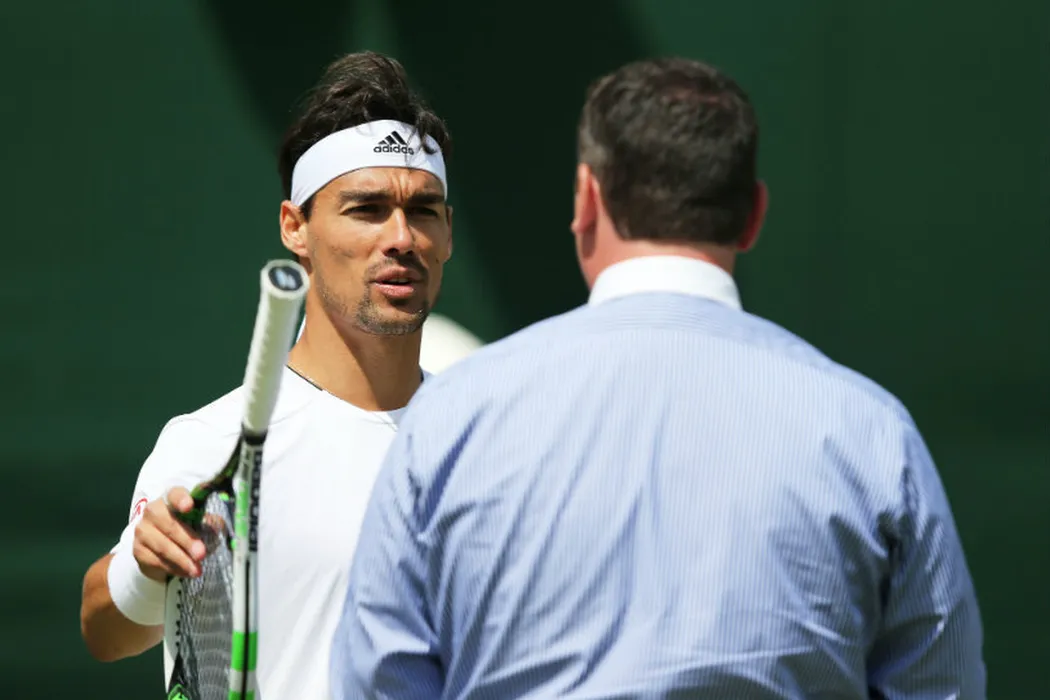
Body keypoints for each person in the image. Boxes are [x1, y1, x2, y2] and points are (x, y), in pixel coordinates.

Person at [330, 57, 987, 699]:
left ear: (587, 198)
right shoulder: (870, 432)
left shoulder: (452, 417)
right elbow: (942, 683)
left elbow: (378, 681)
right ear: (753, 214)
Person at [79, 50, 456, 699]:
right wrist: (145, 565)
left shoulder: (492, 444)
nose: (401, 237)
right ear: (295, 228)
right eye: (366, 209)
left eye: (423, 210)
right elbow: (103, 629)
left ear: (447, 232)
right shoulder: (208, 443)